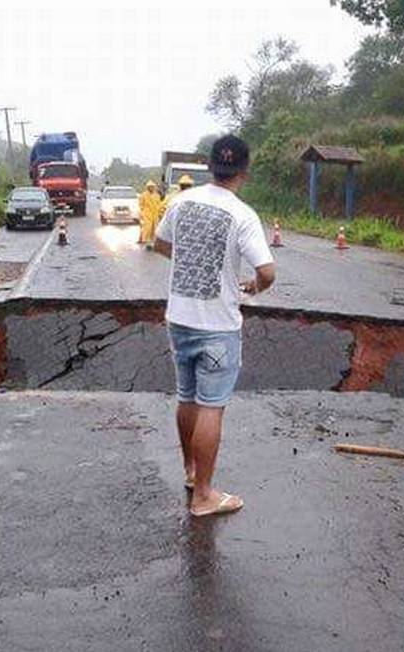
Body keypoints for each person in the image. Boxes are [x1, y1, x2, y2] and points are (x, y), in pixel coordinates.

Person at [154, 135, 275, 517]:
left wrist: (192, 258)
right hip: (218, 326)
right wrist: (255, 286)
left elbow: (159, 244)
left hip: (179, 319)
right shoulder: (242, 215)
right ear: (244, 171)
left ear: (209, 167)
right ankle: (204, 495)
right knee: (211, 406)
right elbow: (267, 271)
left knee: (186, 396)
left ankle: (191, 472)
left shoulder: (181, 202)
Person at [138, 180, 162, 246]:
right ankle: (144, 239)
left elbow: (159, 204)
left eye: (152, 187)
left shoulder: (157, 195)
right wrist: (142, 212)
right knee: (147, 227)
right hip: (147, 213)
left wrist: (159, 212)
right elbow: (141, 204)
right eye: (150, 187)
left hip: (155, 213)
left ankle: (153, 240)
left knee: (155, 227)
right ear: (147, 187)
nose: (151, 188)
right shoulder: (143, 195)